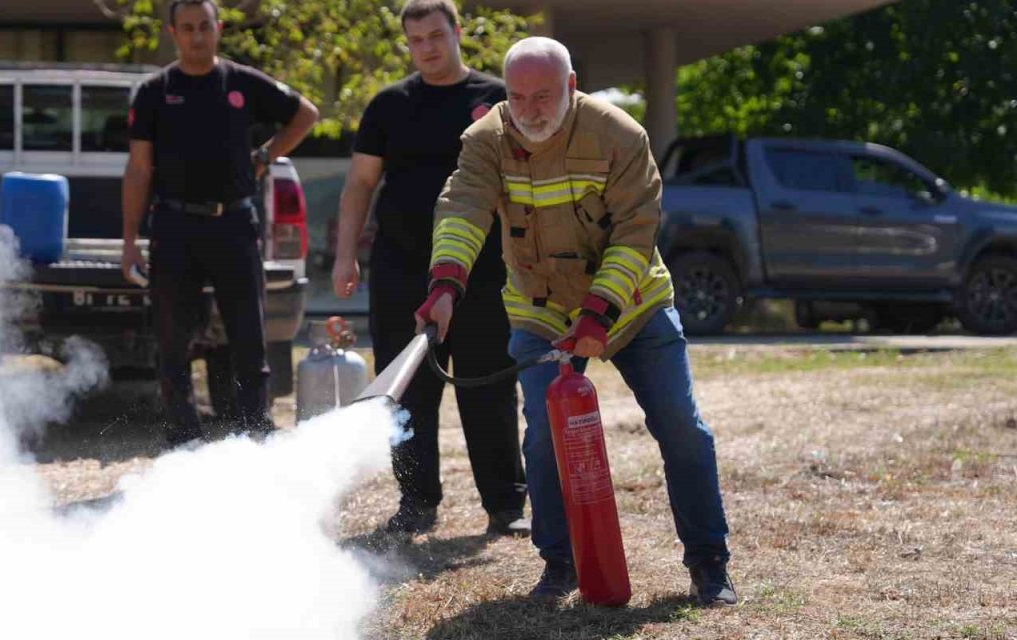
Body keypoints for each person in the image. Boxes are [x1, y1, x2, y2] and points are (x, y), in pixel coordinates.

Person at [416, 37, 738, 605]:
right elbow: (463, 206)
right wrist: (446, 285)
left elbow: (636, 233)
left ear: (571, 87)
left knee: (682, 428)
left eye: (543, 96)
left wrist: (597, 314)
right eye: (517, 97)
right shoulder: (487, 138)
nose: (529, 111)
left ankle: (709, 563)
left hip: (632, 306)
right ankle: (559, 563)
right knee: (543, 439)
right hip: (539, 310)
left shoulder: (619, 135)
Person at [333, 0, 528, 538]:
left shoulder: (495, 99)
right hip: (401, 268)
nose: (427, 49)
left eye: (436, 36)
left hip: (484, 272)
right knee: (407, 392)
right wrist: (346, 254)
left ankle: (506, 507)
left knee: (487, 388)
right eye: (416, 40)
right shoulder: (388, 105)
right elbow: (360, 187)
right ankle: (416, 502)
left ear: (457, 32)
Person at [121, 0, 319, 444]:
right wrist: (130, 239)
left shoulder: (242, 83)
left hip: (233, 223)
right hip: (173, 224)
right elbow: (138, 169)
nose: (197, 36)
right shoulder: (154, 91)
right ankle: (183, 435)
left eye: (204, 26)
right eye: (187, 28)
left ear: (219, 28)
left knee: (248, 336)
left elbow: (305, 114)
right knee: (173, 340)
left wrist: (266, 155)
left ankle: (255, 432)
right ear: (173, 32)